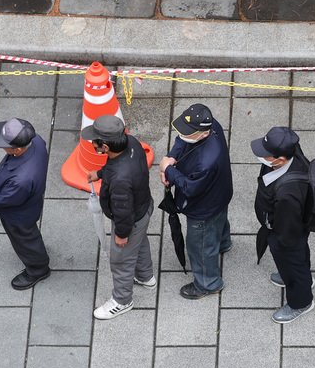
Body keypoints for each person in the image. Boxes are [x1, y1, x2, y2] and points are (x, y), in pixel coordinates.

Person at [86, 115, 156, 320]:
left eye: (95, 142)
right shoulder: (131, 143)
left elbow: (123, 209)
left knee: (121, 260)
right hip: (143, 208)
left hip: (129, 219)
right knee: (140, 242)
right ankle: (145, 276)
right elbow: (115, 165)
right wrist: (100, 174)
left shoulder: (120, 180)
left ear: (105, 147)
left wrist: (122, 234)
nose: (92, 144)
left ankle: (122, 301)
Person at [162, 103, 233, 300]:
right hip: (220, 195)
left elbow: (190, 188)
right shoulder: (210, 126)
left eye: (188, 132)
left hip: (203, 207)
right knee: (219, 223)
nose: (182, 134)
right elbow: (181, 141)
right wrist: (171, 157)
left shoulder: (206, 162)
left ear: (202, 134)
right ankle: (223, 243)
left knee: (199, 244)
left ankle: (208, 283)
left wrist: (169, 170)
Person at [252, 126, 315, 324]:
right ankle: (304, 277)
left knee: (291, 263)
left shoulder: (287, 193)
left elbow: (287, 232)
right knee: (299, 258)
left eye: (266, 155)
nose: (261, 157)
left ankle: (301, 301)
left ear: (279, 160)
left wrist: (279, 243)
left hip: (286, 235)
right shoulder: (293, 153)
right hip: (296, 228)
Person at [0, 118, 51, 290]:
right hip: (30, 203)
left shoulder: (21, 179)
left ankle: (38, 269)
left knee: (24, 240)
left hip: (19, 216)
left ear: (18, 149)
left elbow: (4, 199)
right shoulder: (36, 141)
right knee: (29, 237)